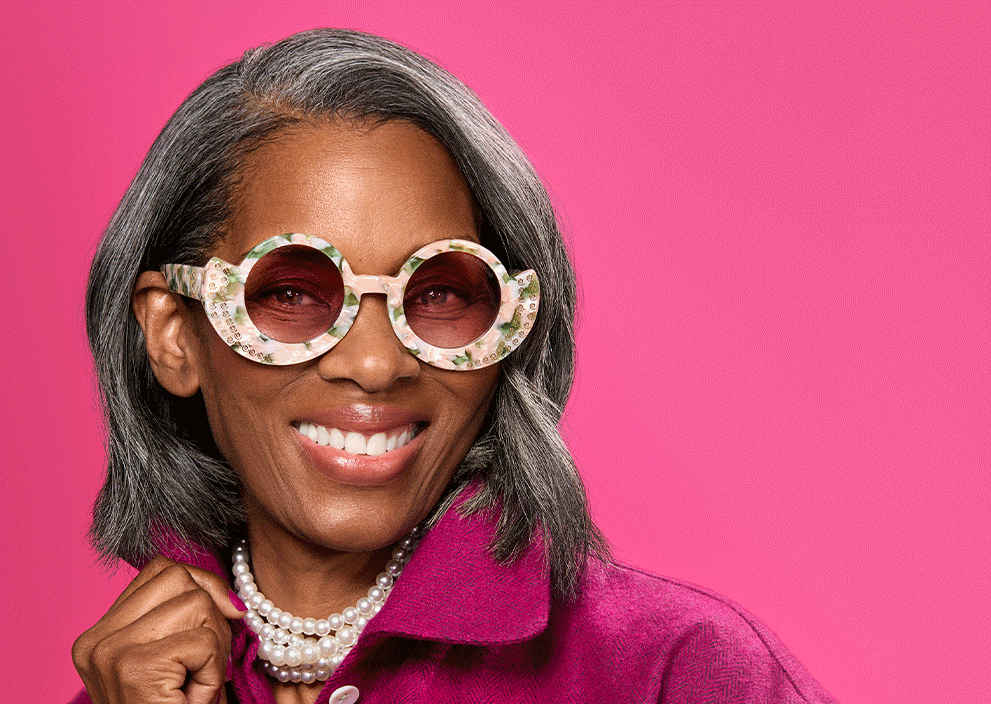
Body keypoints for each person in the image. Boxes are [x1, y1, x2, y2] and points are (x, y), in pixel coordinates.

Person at [71, 29, 835, 704]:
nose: (377, 364)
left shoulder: (679, 672)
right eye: (293, 293)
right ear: (174, 336)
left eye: (438, 293)